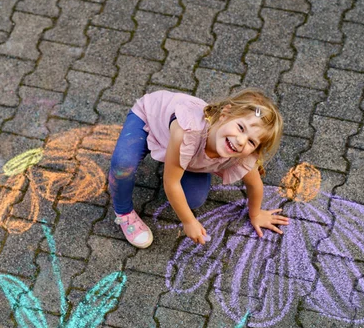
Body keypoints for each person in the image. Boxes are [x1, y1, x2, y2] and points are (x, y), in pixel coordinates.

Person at [108, 88, 289, 248]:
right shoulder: (188, 133)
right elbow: (171, 183)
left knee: (192, 200)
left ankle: (187, 161)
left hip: (187, 148)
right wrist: (189, 221)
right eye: (241, 127)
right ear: (225, 113)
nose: (241, 141)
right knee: (122, 165)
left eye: (251, 141)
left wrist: (255, 214)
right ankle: (123, 212)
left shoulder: (242, 153)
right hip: (149, 119)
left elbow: (254, 185)